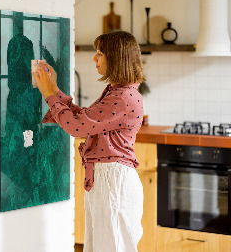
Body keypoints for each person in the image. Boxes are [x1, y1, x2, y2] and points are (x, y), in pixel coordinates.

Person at [32, 30, 146, 252]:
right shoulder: (118, 92)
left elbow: (76, 127)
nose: (94, 58)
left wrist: (48, 94)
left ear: (116, 58)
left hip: (113, 182)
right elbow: (84, 119)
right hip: (107, 180)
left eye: (100, 53)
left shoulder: (122, 97)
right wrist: (54, 89)